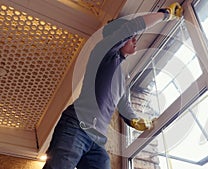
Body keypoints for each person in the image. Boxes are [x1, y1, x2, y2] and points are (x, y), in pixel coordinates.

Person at [43, 2, 183, 169]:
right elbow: (132, 28)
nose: (134, 40)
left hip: (97, 141)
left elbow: (124, 107)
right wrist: (165, 14)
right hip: (77, 126)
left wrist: (140, 122)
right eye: (130, 37)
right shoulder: (104, 52)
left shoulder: (121, 77)